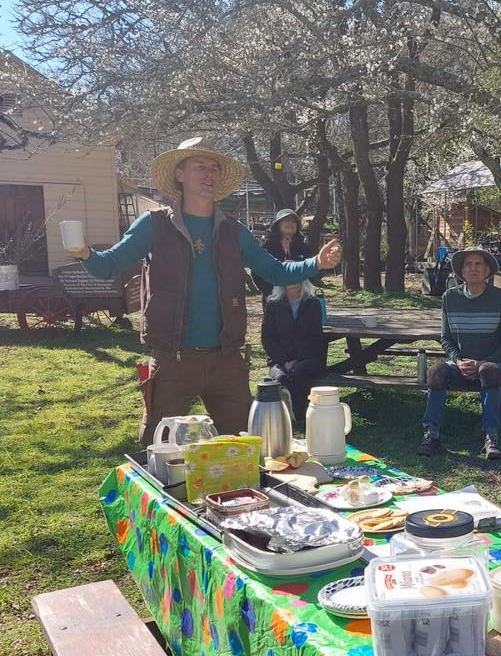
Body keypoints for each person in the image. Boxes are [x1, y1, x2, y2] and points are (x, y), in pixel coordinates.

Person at [66, 137, 341, 445]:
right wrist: (84, 253)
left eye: (214, 168)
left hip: (228, 361)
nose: (209, 174)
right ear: (179, 175)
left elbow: (275, 271)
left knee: (244, 449)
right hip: (172, 360)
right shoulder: (153, 226)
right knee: (161, 450)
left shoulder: (233, 231)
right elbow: (108, 266)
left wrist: (317, 262)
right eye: (200, 167)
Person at [417, 247, 501, 461]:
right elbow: (446, 339)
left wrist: (483, 361)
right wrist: (458, 361)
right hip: (459, 365)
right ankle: (431, 434)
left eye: (478, 264)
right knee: (436, 372)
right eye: (468, 264)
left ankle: (491, 436)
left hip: (491, 364)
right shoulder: (449, 297)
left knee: (489, 372)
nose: (473, 269)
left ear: (487, 269)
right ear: (461, 270)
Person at [261, 280, 327, 422]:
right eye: (287, 276)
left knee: (299, 372)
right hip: (279, 360)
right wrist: (284, 361)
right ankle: (282, 418)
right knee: (280, 378)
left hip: (308, 358)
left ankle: (301, 417)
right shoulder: (273, 304)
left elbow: (316, 337)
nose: (291, 280)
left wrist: (296, 360)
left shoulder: (313, 303)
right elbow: (268, 339)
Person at [252, 209, 313, 305]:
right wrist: (270, 292)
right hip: (273, 300)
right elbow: (256, 273)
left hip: (301, 299)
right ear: (278, 225)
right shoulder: (267, 247)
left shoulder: (304, 248)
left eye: (294, 221)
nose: (290, 223)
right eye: (286, 220)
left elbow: (312, 272)